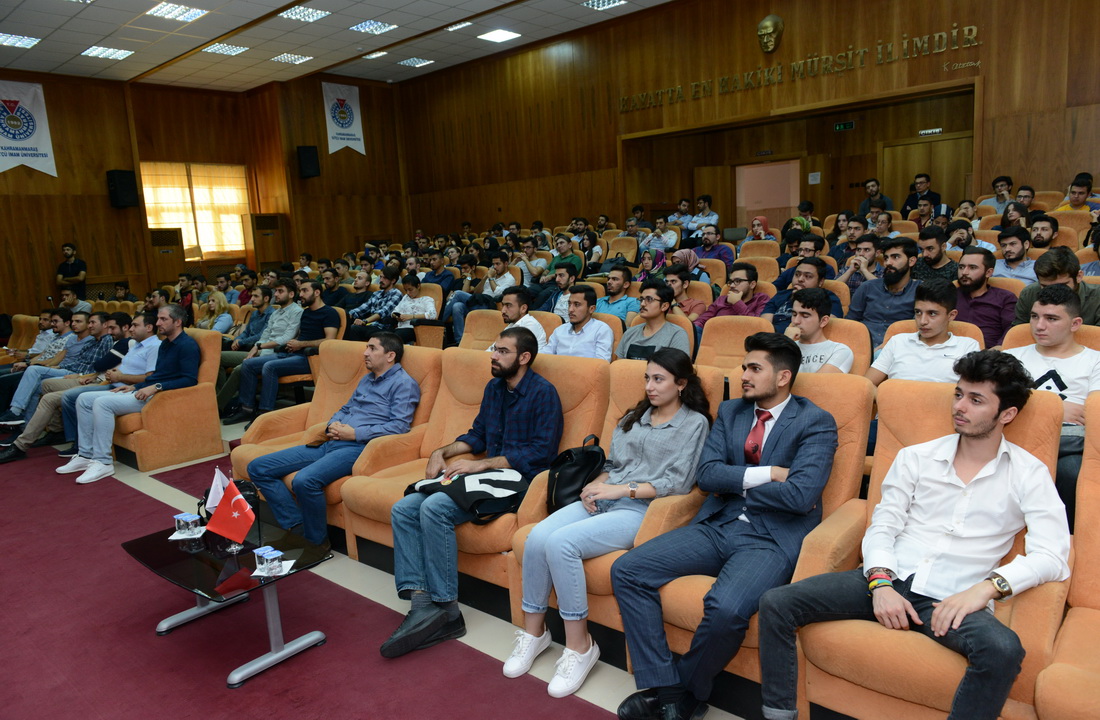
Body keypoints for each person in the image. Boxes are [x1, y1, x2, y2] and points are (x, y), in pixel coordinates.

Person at [758, 349, 1071, 720]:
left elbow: (1053, 555)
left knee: (1003, 649)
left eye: (976, 400)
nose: (960, 407)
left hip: (952, 596)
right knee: (776, 603)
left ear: (1007, 414)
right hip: (887, 577)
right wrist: (881, 584)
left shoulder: (1028, 473)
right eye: (958, 394)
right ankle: (779, 715)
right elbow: (884, 524)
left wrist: (986, 589)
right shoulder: (916, 457)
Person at [612, 332, 838, 720]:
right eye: (744, 366)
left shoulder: (815, 421)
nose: (743, 375)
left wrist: (738, 484)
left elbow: (801, 496)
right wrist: (770, 473)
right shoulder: (732, 412)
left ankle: (687, 691)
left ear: (783, 377)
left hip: (770, 539)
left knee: (726, 609)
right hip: (718, 523)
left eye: (754, 368)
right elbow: (707, 476)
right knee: (627, 570)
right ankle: (668, 688)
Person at [506, 349, 711, 696]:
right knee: (537, 537)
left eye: (658, 379)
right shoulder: (634, 417)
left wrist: (620, 490)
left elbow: (677, 483)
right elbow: (613, 466)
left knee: (561, 544)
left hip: (641, 510)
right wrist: (594, 487)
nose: (650, 386)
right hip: (606, 499)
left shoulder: (694, 424)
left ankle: (580, 647)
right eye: (647, 378)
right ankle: (534, 633)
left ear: (681, 384)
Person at [382, 327, 563, 658]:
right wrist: (441, 452)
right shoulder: (495, 388)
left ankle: (448, 611)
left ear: (524, 357)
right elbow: (478, 435)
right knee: (404, 508)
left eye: (503, 352)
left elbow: (542, 453)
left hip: (520, 481)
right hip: (489, 477)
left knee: (435, 507)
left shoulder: (543, 393)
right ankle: (422, 605)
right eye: (495, 348)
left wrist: (481, 465)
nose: (494, 356)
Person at [248, 333, 419, 547]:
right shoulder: (367, 379)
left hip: (357, 448)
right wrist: (332, 424)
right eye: (366, 347)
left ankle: (316, 544)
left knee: (304, 480)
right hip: (330, 442)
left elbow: (399, 426)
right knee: (258, 468)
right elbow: (346, 408)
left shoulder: (404, 384)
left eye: (372, 348)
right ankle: (296, 527)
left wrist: (355, 434)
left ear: (390, 355)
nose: (365, 353)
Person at [58, 305, 200, 484]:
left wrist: (156, 387)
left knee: (102, 403)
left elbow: (190, 380)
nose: (158, 323)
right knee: (84, 399)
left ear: (178, 322)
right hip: (147, 390)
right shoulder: (166, 343)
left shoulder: (187, 345)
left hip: (162, 396)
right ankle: (86, 455)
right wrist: (135, 386)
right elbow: (157, 375)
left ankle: (103, 461)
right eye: (158, 318)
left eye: (163, 319)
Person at [1005, 284, 1100, 531]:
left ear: (1075, 324)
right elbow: (995, 402)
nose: (1039, 326)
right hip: (1017, 437)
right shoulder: (1011, 357)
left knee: (1071, 471)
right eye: (1034, 316)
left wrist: (1025, 402)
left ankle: (1065, 538)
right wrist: (1056, 409)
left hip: (1070, 443)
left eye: (1051, 319)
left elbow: (1093, 414)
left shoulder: (1095, 361)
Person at [223, 281, 340, 425]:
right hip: (293, 353)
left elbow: (330, 340)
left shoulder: (330, 313)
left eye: (304, 291)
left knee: (269, 367)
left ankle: (265, 414)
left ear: (317, 292)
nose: (301, 294)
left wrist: (300, 344)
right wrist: (293, 344)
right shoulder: (307, 312)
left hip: (311, 358)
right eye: (300, 291)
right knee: (248, 364)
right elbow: (301, 336)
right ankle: (246, 409)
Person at [866, 278, 980, 386]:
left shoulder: (967, 347)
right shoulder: (897, 341)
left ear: (951, 315)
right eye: (918, 312)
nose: (922, 321)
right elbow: (866, 385)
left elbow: (974, 392)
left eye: (932, 314)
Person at [847, 237, 922, 349]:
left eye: (895, 257)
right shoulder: (867, 287)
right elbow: (850, 322)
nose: (888, 263)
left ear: (911, 261)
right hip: (861, 345)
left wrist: (881, 349)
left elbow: (916, 331)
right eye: (886, 258)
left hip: (899, 348)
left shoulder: (920, 291)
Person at [1012, 246, 1100, 327]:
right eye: (1045, 286)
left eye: (1062, 285)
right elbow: (1019, 331)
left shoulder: (1098, 297)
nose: (1054, 291)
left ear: (1079, 276)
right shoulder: (1028, 294)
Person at [956, 247, 1017, 349]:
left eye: (972, 267)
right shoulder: (949, 295)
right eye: (961, 267)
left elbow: (1011, 329)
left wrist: (999, 347)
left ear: (988, 272)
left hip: (989, 353)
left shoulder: (1005, 298)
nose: (964, 272)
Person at [763, 257, 843, 334]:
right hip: (772, 339)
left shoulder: (829, 299)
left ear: (820, 282)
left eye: (808, 276)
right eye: (797, 274)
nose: (800, 279)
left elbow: (827, 329)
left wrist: (804, 298)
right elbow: (765, 326)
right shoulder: (781, 295)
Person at [783, 288, 854, 373]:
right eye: (794, 314)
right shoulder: (785, 347)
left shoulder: (839, 350)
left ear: (823, 321)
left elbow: (820, 380)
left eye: (805, 316)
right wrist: (785, 342)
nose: (796, 321)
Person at [616, 280, 691, 360]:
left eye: (649, 299)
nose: (642, 304)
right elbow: (619, 365)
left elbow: (677, 366)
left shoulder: (676, 334)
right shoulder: (630, 333)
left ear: (664, 306)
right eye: (641, 299)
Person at [544, 285, 614, 361]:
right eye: (569, 304)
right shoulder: (560, 330)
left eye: (577, 305)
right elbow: (544, 355)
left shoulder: (601, 330)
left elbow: (601, 363)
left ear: (591, 309)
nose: (570, 309)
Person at [695, 262, 768, 330]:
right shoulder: (721, 300)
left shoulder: (761, 299)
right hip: (716, 336)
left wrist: (737, 303)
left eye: (737, 281)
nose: (732, 285)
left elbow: (759, 326)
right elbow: (701, 321)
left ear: (752, 284)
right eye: (731, 282)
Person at [346, 267, 403, 341]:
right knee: (345, 325)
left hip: (384, 328)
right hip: (371, 325)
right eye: (381, 277)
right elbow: (363, 308)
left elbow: (383, 312)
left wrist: (365, 321)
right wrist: (347, 315)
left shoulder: (396, 294)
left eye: (385, 278)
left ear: (393, 280)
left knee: (354, 329)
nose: (381, 280)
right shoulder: (377, 293)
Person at [489, 286, 547, 351]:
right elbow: (493, 350)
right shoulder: (512, 325)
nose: (503, 310)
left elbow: (510, 354)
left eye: (508, 305)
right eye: (503, 305)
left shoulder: (530, 326)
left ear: (523, 308)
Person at [390, 274, 438, 344]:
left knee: (393, 338)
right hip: (400, 328)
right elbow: (394, 312)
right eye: (406, 290)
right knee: (382, 336)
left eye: (410, 289)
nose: (408, 293)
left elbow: (433, 315)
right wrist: (397, 317)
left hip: (414, 329)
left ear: (418, 286)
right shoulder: (406, 297)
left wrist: (412, 316)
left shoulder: (427, 299)